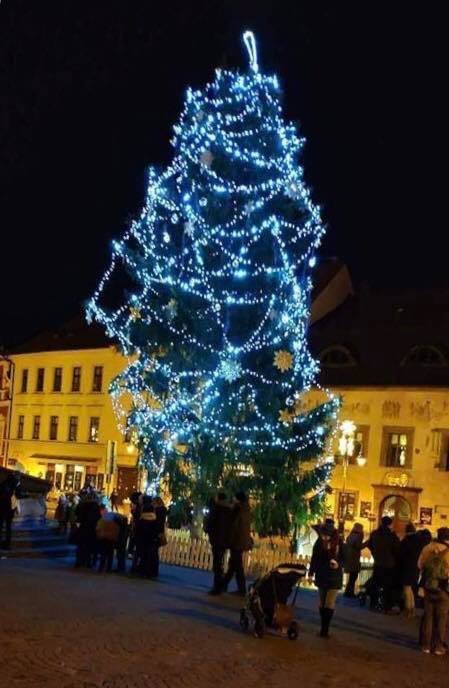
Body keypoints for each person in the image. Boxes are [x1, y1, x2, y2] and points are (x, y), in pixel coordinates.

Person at [309, 522, 344, 637]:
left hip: (334, 577)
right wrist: (311, 573)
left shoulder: (339, 543)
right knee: (322, 603)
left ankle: (325, 629)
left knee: (329, 603)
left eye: (326, 536)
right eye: (323, 535)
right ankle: (323, 626)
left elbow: (345, 558)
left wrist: (338, 564)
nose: (324, 537)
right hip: (322, 575)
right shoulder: (319, 543)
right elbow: (314, 558)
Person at [418, 527, 449, 655]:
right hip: (443, 588)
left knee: (428, 617)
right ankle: (439, 647)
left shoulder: (427, 548)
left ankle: (426, 645)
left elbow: (419, 565)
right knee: (442, 618)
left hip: (428, 586)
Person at [366, 516, 400, 612]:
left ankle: (373, 604)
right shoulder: (392, 536)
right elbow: (397, 548)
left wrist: (375, 554)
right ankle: (386, 606)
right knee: (387, 586)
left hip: (378, 562)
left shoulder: (375, 533)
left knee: (375, 584)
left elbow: (370, 545)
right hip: (389, 564)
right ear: (389, 524)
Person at [222, 491, 252, 596]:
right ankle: (224, 584)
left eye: (235, 498)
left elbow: (233, 527)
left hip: (236, 541)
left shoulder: (238, 510)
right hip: (241, 541)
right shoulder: (246, 510)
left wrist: (228, 540)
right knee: (234, 565)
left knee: (237, 566)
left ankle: (241, 589)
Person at [204, 492, 232, 595]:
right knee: (220, 562)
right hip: (225, 540)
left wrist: (207, 529)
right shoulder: (229, 510)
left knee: (217, 564)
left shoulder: (216, 509)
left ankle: (217, 587)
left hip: (216, 539)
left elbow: (210, 523)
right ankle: (221, 585)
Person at [398, 522, 426, 617]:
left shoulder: (406, 541)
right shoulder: (419, 541)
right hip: (416, 567)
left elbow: (400, 554)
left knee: (406, 588)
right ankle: (412, 609)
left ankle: (408, 609)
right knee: (411, 588)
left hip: (406, 567)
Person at [135, 497, 159, 578]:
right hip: (151, 540)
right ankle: (149, 572)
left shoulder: (142, 520)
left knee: (143, 556)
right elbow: (156, 530)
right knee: (150, 556)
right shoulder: (154, 520)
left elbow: (138, 529)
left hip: (142, 540)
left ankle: (142, 571)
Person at [75, 492, 101, 568]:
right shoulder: (96, 506)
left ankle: (79, 561)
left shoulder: (82, 505)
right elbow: (98, 518)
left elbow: (77, 514)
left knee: (81, 546)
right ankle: (88, 562)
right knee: (89, 547)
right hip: (91, 529)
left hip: (83, 528)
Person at [96, 505, 120, 573]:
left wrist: (99, 535)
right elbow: (117, 531)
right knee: (110, 555)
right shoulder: (115, 523)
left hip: (103, 538)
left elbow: (98, 529)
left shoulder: (102, 520)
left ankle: (101, 568)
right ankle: (108, 568)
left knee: (103, 554)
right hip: (111, 539)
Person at [343, 522, 364, 597]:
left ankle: (347, 592)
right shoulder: (359, 535)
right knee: (353, 576)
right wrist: (366, 544)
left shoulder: (350, 535)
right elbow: (358, 546)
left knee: (351, 576)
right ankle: (350, 592)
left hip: (349, 557)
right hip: (354, 558)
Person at [0, 474, 19, 550]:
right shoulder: (14, 486)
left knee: (1, 526)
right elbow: (17, 497)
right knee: (8, 527)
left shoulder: (3, 485)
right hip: (10, 510)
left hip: (2, 509)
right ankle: (7, 544)